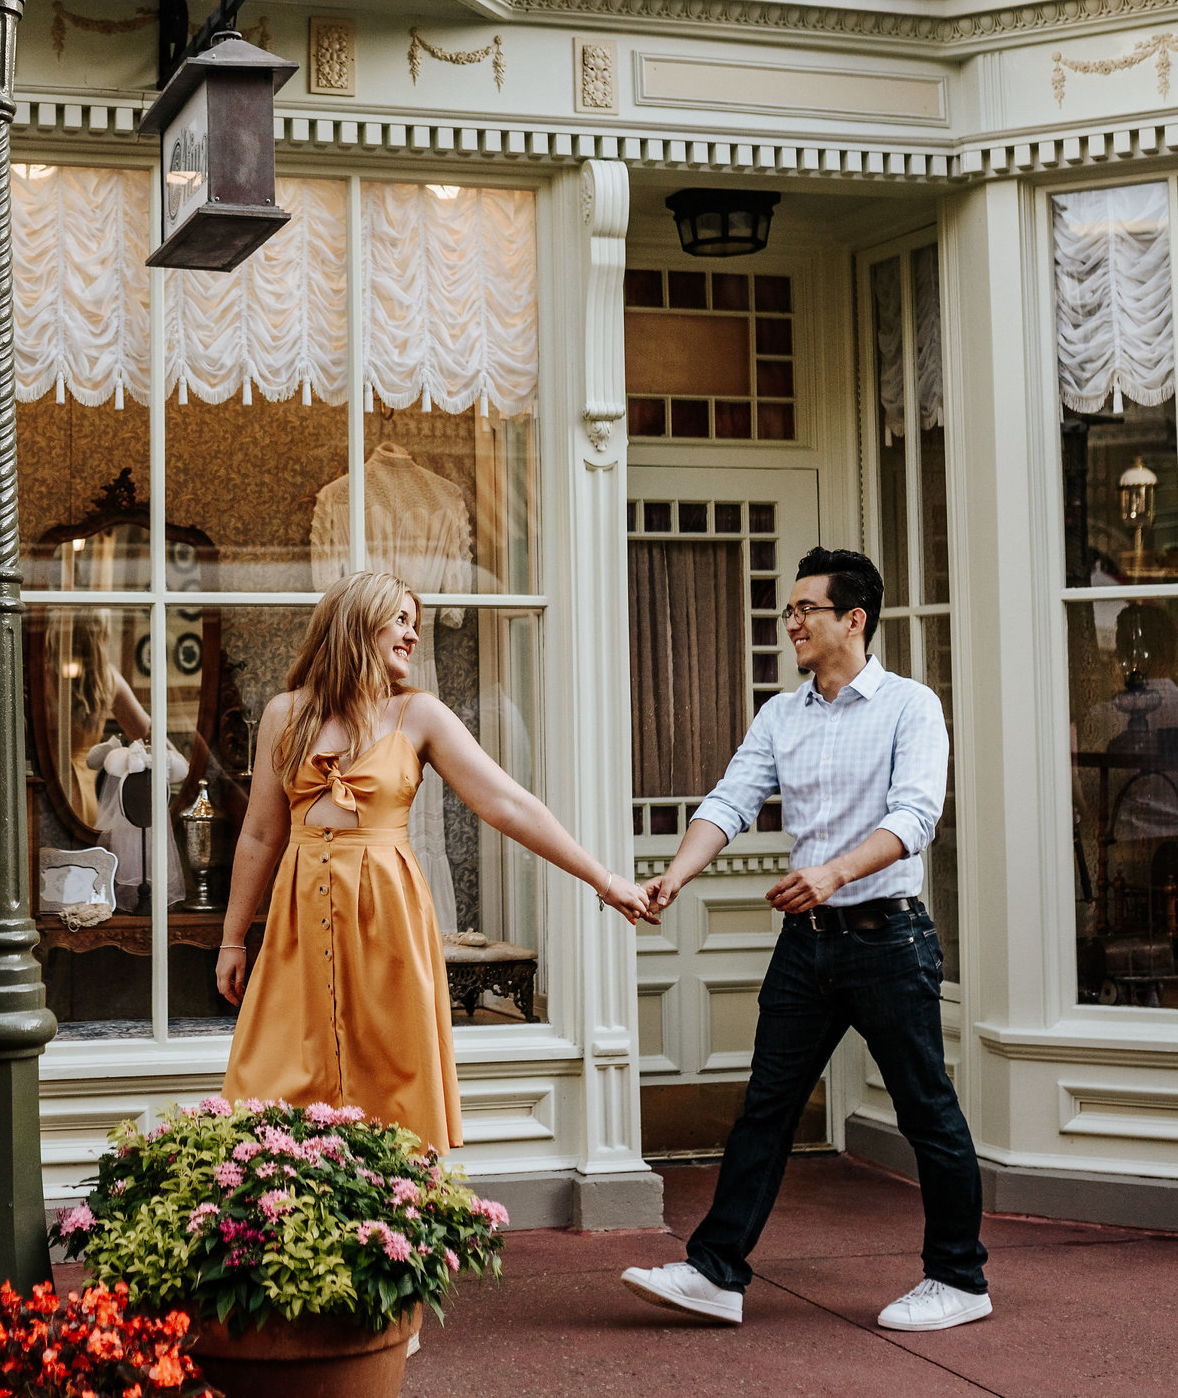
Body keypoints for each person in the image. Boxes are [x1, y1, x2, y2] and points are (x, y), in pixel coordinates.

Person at [620, 548, 989, 1334]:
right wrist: (675, 875)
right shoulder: (781, 714)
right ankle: (717, 1271)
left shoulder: (910, 705)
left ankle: (960, 1278)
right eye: (787, 610)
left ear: (852, 619)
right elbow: (731, 797)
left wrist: (831, 872)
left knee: (928, 1111)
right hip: (807, 945)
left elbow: (916, 816)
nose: (789, 622)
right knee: (766, 1107)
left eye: (804, 609)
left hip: (887, 938)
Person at [216, 570, 649, 1150]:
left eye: (415, 625)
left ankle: (392, 1227)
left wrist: (603, 878)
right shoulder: (284, 713)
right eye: (400, 620)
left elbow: (507, 805)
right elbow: (259, 836)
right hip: (297, 922)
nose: (412, 636)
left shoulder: (420, 715)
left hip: (384, 919)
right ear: (355, 622)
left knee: (389, 1081)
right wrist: (233, 937)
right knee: (272, 1082)